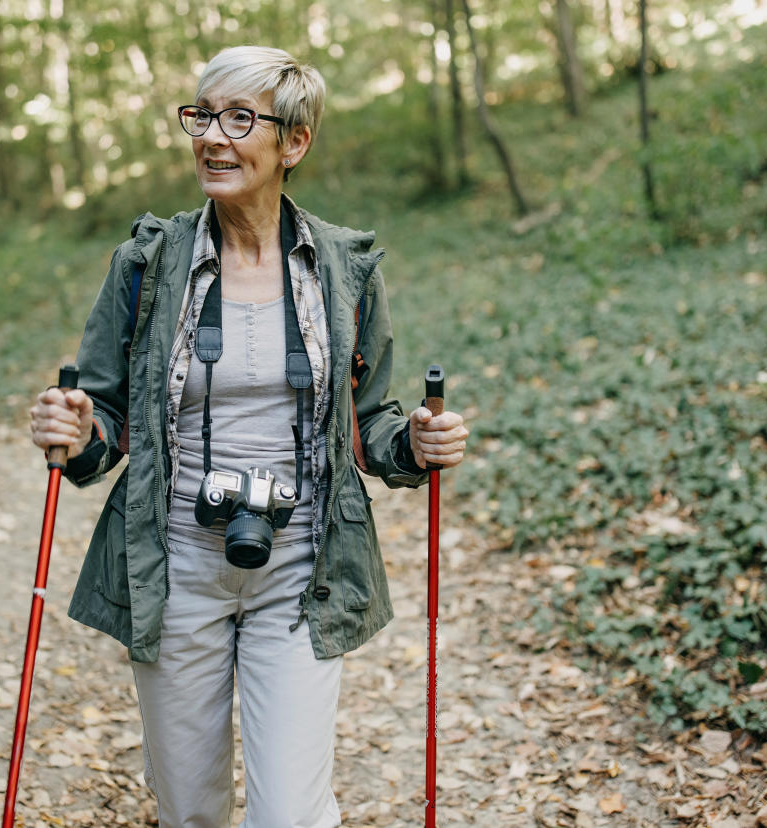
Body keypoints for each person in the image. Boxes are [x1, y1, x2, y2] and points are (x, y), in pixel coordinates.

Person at [28, 45, 468, 828]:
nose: (212, 138)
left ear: (292, 142)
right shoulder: (146, 263)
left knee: (290, 817)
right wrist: (73, 428)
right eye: (201, 116)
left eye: (239, 119)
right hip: (174, 566)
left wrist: (416, 445)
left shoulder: (345, 269)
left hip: (302, 565)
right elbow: (103, 423)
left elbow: (368, 425)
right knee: (190, 812)